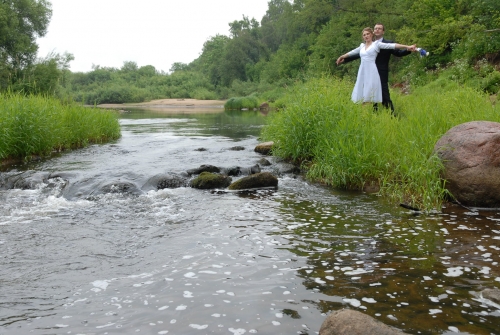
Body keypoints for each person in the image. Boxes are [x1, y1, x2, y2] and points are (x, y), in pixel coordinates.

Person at [337, 24, 415, 112]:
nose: (377, 30)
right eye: (375, 28)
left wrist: (408, 48)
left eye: (379, 28)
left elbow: (397, 50)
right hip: (366, 72)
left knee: (385, 96)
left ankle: (392, 116)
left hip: (380, 73)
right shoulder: (364, 45)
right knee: (370, 95)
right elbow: (357, 53)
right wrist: (344, 58)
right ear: (373, 31)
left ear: (382, 31)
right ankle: (374, 115)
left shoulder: (381, 44)